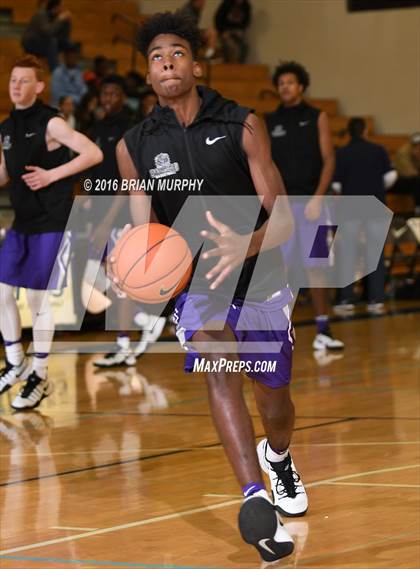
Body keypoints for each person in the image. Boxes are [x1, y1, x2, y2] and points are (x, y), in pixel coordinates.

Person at [112, 11, 308, 562]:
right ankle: (256, 501)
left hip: (262, 274)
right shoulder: (134, 145)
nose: (167, 63)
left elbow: (286, 219)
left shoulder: (242, 123)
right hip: (196, 284)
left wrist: (243, 245)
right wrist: (128, 262)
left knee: (274, 401)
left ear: (196, 64)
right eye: (155, 57)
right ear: (147, 76)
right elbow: (141, 224)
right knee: (221, 373)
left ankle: (279, 455)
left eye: (176, 53)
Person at [0, 55, 103, 410]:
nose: (16, 85)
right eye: (13, 79)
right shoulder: (6, 127)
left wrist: (51, 175)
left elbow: (93, 153)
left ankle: (40, 376)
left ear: (39, 86)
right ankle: (16, 363)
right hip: (22, 223)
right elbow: (3, 175)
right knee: (1, 294)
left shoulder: (52, 123)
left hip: (52, 221)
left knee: (37, 301)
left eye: (24, 80)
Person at [83, 75, 165, 368]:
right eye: (105, 92)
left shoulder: (128, 129)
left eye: (114, 92)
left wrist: (107, 221)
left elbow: (128, 182)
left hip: (119, 216)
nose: (108, 97)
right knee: (100, 279)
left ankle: (125, 342)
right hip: (100, 212)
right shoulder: (98, 127)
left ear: (122, 97)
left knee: (119, 282)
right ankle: (144, 321)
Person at [266, 61, 344, 351]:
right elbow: (267, 167)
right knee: (282, 268)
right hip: (285, 206)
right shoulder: (270, 122)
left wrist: (318, 197)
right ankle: (280, 331)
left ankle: (323, 330)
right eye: (281, 82)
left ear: (301, 86)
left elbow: (330, 160)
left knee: (317, 267)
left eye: (290, 82)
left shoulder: (316, 116)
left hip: (313, 206)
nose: (285, 86)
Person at [332, 118, 398, 316]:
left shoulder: (341, 153)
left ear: (349, 132)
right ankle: (376, 299)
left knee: (349, 253)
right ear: (366, 131)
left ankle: (346, 299)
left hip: (351, 208)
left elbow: (336, 185)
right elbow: (391, 176)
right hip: (375, 206)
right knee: (375, 253)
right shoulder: (378, 150)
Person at [21, 0, 72, 71]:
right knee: (52, 42)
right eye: (60, 7)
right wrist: (59, 20)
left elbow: (64, 35)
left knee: (68, 43)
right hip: (31, 44)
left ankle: (71, 69)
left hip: (44, 43)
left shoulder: (55, 16)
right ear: (55, 7)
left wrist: (67, 22)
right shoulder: (41, 15)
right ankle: (55, 72)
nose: (62, 9)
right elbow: (48, 32)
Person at [391, 132, 420, 215]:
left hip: (412, 181)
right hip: (399, 182)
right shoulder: (402, 153)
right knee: (417, 182)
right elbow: (409, 173)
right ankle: (418, 209)